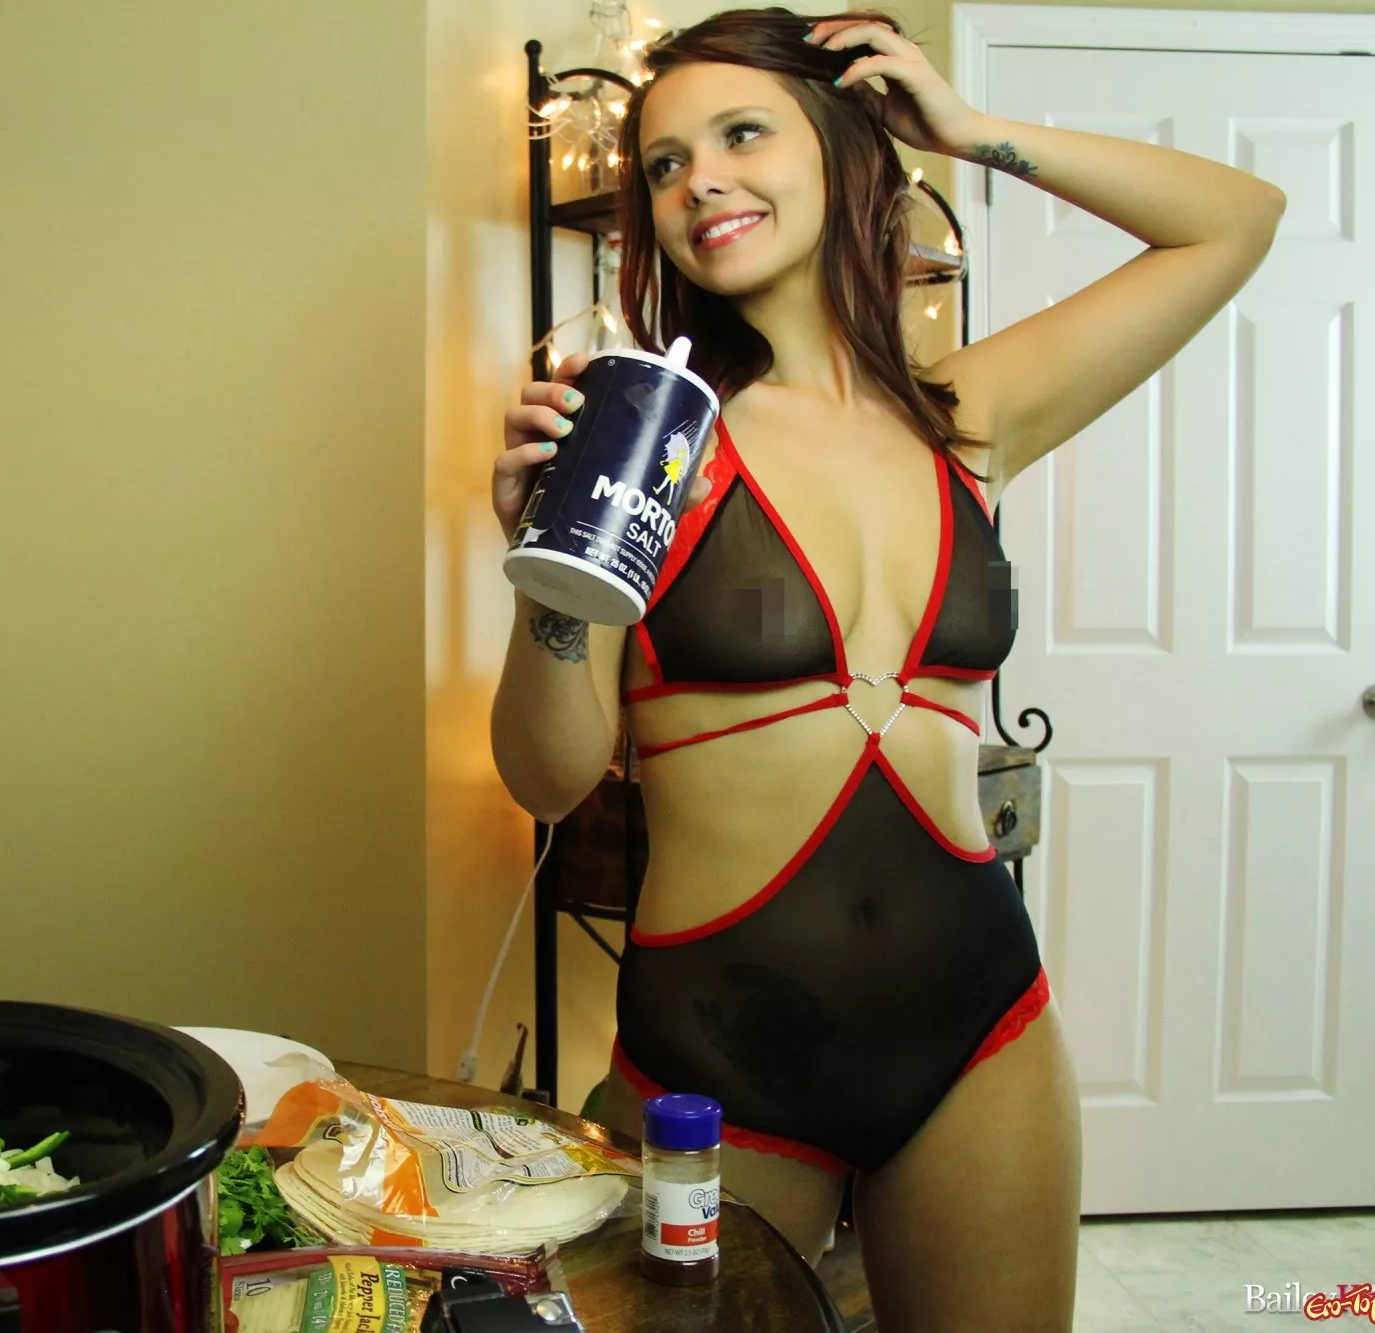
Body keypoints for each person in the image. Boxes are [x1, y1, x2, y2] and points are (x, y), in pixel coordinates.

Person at [488, 8, 1282, 1329]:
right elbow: (550, 777)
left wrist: (968, 132)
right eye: (666, 165)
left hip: (980, 1032)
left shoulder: (966, 419)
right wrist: (550, 586)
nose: (701, 183)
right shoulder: (646, 439)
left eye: (743, 134)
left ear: (842, 149)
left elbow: (1236, 221)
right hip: (717, 1054)